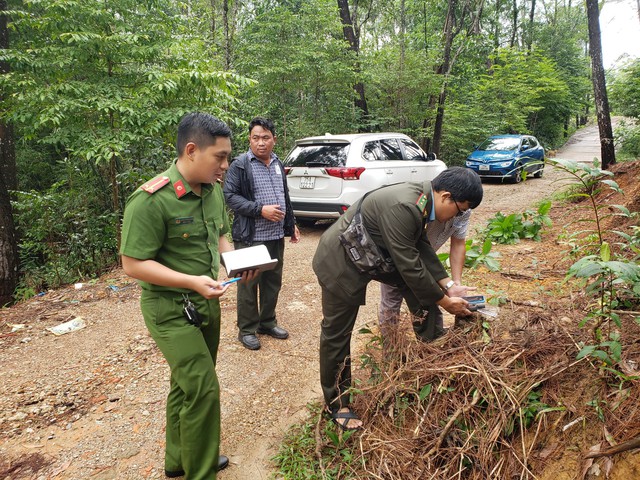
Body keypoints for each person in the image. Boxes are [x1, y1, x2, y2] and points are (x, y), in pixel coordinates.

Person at [120, 112, 249, 479]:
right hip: (170, 308)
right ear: (191, 150)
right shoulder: (150, 200)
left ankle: (179, 461)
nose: (226, 165)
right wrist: (191, 281)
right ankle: (201, 471)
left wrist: (235, 264)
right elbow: (132, 264)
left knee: (186, 383)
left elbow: (221, 234)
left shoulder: (213, 190)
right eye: (219, 157)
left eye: (228, 157)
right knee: (204, 388)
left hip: (206, 301)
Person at [312, 167, 483, 431]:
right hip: (341, 262)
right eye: (460, 210)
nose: (458, 217)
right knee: (337, 333)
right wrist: (445, 301)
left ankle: (433, 357)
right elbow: (410, 266)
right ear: (447, 197)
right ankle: (337, 404)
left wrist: (448, 285)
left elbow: (421, 246)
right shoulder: (405, 206)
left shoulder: (423, 201)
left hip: (371, 257)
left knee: (424, 296)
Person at [223, 117, 301, 351]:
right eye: (255, 138)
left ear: (274, 140)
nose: (260, 143)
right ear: (249, 139)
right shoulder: (240, 164)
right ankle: (247, 329)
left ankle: (267, 322)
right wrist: (260, 210)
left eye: (265, 138)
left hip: (275, 234)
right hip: (251, 236)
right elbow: (230, 197)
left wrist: (291, 222)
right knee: (248, 283)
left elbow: (283, 196)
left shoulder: (277, 163)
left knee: (272, 282)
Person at [378, 208, 474, 329]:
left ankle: (433, 341)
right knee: (391, 303)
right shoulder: (425, 208)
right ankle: (390, 343)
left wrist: (455, 283)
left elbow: (458, 243)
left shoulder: (463, 210)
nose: (458, 214)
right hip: (400, 257)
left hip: (427, 262)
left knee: (431, 302)